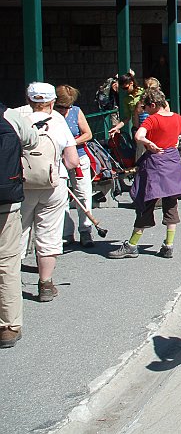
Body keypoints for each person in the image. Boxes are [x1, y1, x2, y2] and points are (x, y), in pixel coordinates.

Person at [108, 89, 181, 260]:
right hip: (172, 162)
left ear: (153, 105)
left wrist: (149, 143)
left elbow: (138, 135)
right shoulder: (175, 117)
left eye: (145, 107)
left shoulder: (153, 119)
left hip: (155, 164)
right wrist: (179, 136)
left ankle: (132, 245)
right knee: (171, 204)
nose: (144, 110)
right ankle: (168, 245)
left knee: (145, 201)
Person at [16, 83, 81, 303]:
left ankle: (11, 283)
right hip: (54, 183)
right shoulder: (59, 121)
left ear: (29, 100)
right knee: (49, 234)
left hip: (22, 184)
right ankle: (45, 284)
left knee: (17, 232)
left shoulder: (17, 119)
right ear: (52, 102)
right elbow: (72, 161)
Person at [0, 101, 37, 348]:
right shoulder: (10, 116)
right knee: (6, 262)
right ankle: (8, 326)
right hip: (5, 200)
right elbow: (32, 140)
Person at [54, 85, 95, 248]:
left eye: (67, 107)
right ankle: (66, 232)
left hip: (78, 157)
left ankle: (85, 229)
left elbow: (88, 134)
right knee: (60, 196)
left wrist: (70, 143)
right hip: (57, 159)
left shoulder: (76, 111)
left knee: (83, 193)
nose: (65, 110)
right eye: (61, 107)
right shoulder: (50, 115)